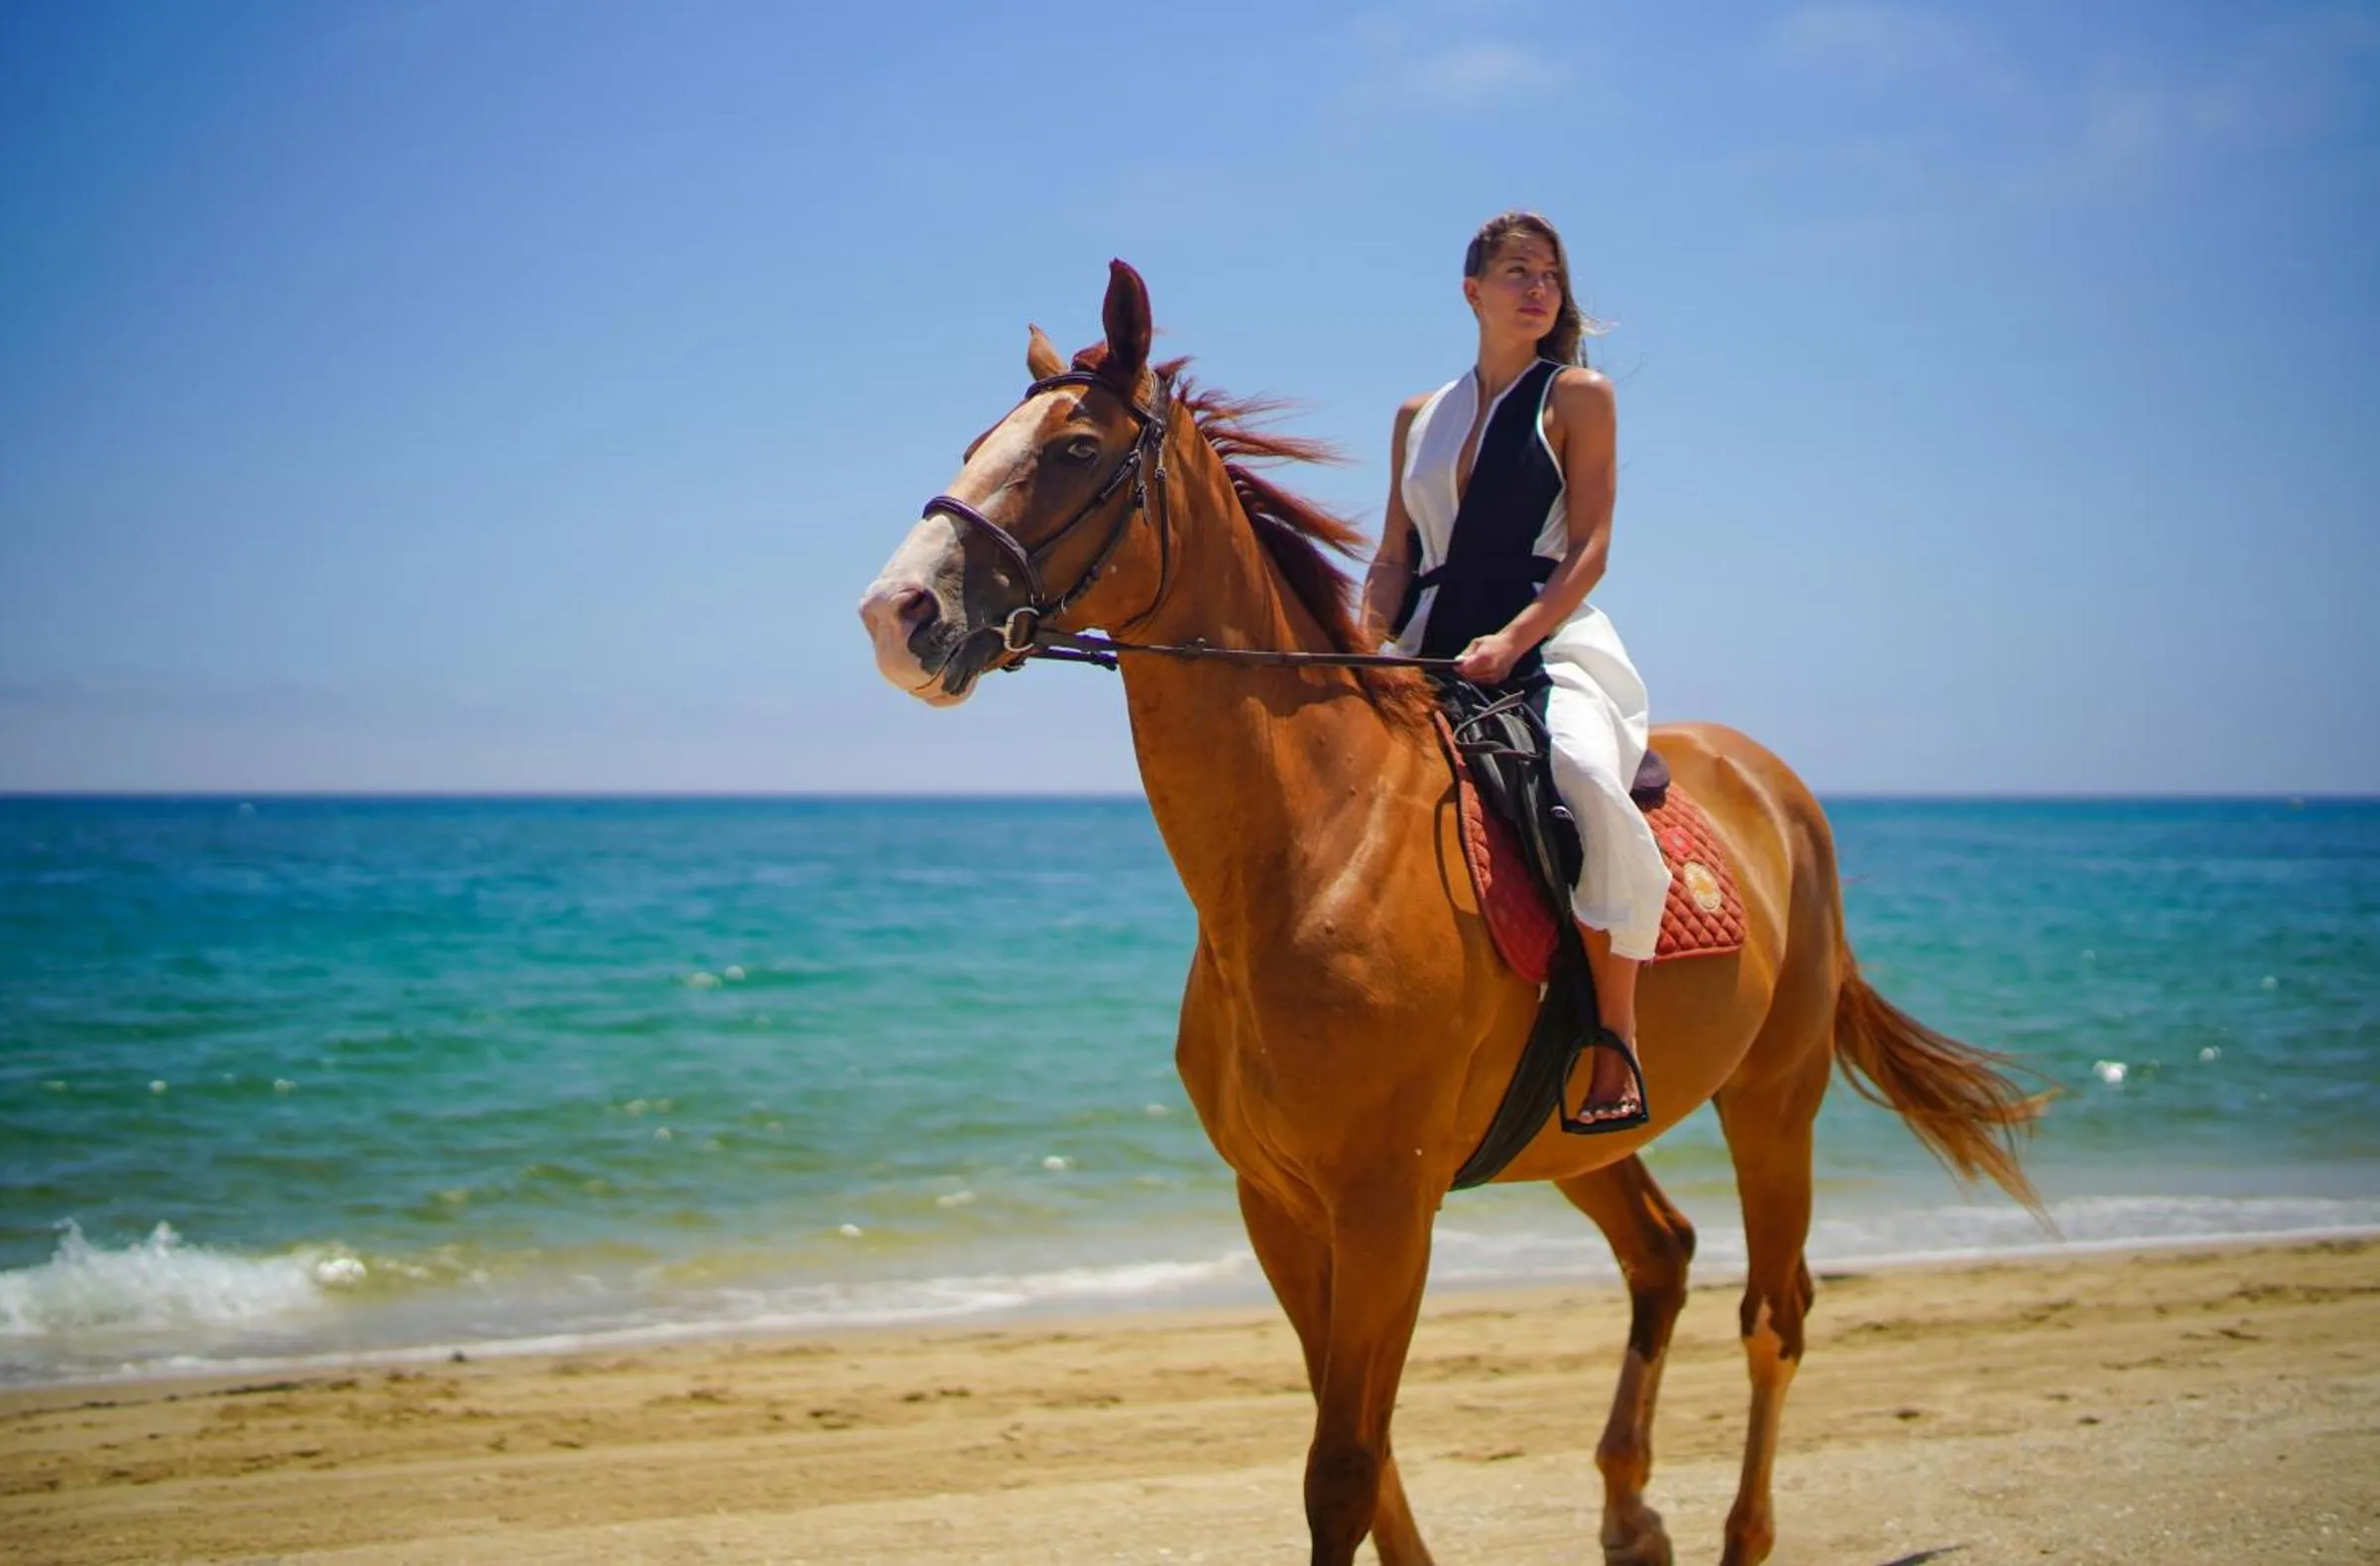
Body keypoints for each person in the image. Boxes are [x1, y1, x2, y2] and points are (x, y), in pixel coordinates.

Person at [1363, 209, 1671, 1130]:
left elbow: (1591, 548)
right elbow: (1393, 554)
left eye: (1550, 276)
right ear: (1473, 291)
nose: (1539, 290)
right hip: (1429, 641)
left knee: (1585, 777)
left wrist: (1513, 640)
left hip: (1548, 636)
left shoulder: (1577, 396)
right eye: (1518, 273)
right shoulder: (1417, 417)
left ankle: (1614, 1036)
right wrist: (1366, 636)